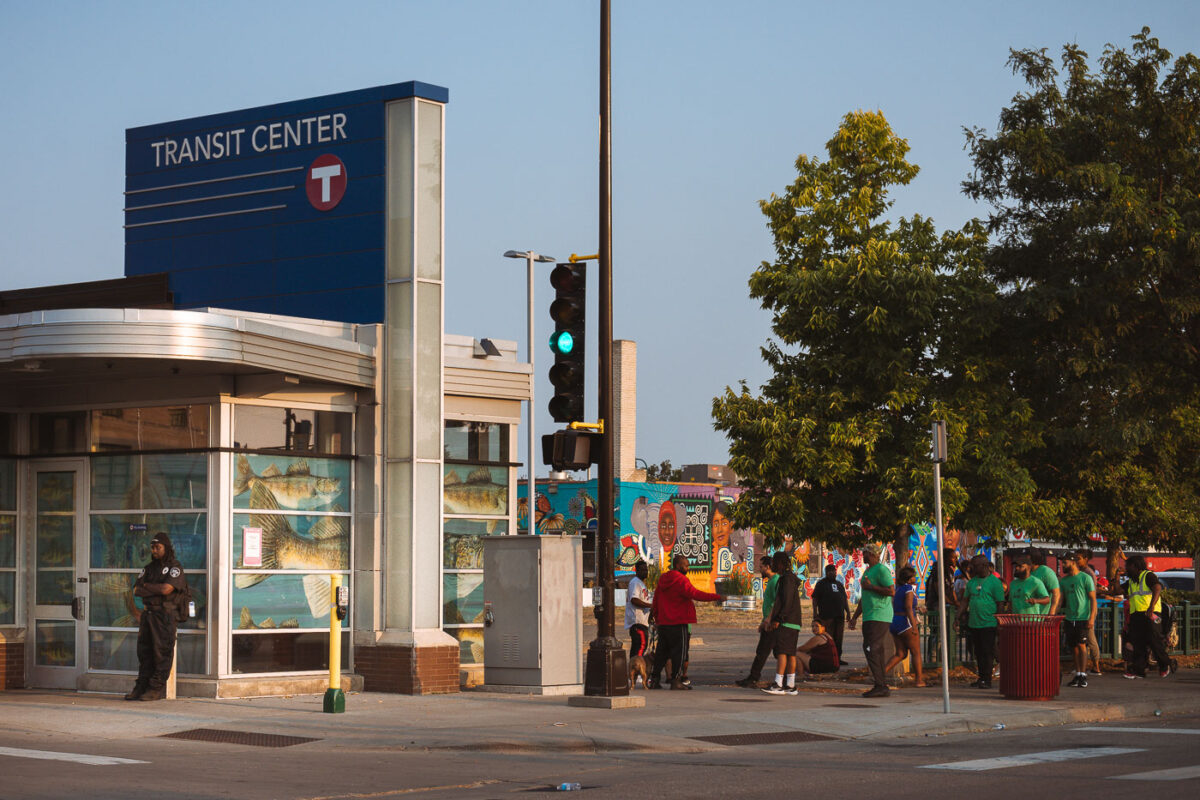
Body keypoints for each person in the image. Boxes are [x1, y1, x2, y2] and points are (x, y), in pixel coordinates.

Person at [126, 531, 187, 701]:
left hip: (165, 616)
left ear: (166, 548)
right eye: (152, 547)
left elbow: (166, 589)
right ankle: (141, 687)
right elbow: (137, 590)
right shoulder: (148, 568)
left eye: (157, 547)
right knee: (144, 652)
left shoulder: (175, 568)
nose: (154, 550)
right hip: (148, 615)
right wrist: (155, 587)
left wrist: (148, 586)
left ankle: (156, 689)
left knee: (162, 653)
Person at [647, 554, 724, 689]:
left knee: (661, 652)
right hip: (678, 622)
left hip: (664, 623)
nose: (688, 568)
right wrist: (717, 597)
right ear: (678, 565)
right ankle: (676, 681)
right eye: (686, 565)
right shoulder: (681, 580)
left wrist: (654, 614)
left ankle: (654, 679)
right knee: (679, 653)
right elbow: (695, 594)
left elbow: (656, 598)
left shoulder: (663, 579)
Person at [848, 544, 894, 698]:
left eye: (865, 553)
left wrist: (872, 586)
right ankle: (881, 684)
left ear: (872, 554)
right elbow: (864, 597)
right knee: (875, 650)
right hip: (869, 616)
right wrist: (855, 617)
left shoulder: (881, 570)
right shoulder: (868, 571)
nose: (863, 555)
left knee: (871, 648)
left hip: (879, 615)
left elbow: (891, 591)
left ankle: (880, 685)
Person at [1122, 554, 1177, 679]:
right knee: (1138, 643)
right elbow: (1117, 590)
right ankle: (1139, 670)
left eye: (1128, 566)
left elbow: (1157, 588)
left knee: (1154, 641)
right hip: (1136, 614)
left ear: (1135, 566)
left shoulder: (1148, 576)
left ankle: (1165, 664)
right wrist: (1115, 575)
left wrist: (1151, 606)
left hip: (1150, 613)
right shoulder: (1131, 581)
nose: (1126, 569)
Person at [957, 554, 1005, 689]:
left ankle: (987, 679)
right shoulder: (972, 582)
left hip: (989, 623)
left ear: (984, 566)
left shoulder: (995, 582)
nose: (972, 569)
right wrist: (958, 616)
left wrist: (999, 621)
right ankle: (981, 677)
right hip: (974, 623)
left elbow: (1000, 603)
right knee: (978, 652)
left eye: (975, 566)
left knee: (987, 652)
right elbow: (965, 601)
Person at [762, 552, 804, 696]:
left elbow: (785, 602)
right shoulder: (789, 579)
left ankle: (778, 683)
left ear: (780, 563)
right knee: (790, 653)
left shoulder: (786, 579)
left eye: (774, 562)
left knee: (782, 653)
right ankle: (790, 685)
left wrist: (778, 619)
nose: (772, 564)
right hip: (793, 622)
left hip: (787, 622)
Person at [735, 556, 777, 688]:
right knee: (772, 652)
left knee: (763, 652)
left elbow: (777, 603)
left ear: (768, 567)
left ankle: (753, 677)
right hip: (768, 621)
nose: (760, 570)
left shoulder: (775, 581)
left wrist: (769, 620)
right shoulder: (771, 581)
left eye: (761, 567)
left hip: (772, 623)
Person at [1060, 550, 1097, 688]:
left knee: (1082, 646)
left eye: (1065, 562)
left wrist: (1091, 618)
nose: (1063, 565)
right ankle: (1077, 674)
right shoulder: (1064, 581)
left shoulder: (1085, 578)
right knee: (1073, 647)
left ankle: (1083, 675)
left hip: (1083, 617)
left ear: (1073, 562)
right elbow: (1061, 600)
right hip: (1070, 618)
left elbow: (1093, 599)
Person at [883, 566, 925, 687]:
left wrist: (916, 608)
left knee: (901, 653)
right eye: (914, 576)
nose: (915, 578)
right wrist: (914, 625)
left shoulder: (898, 589)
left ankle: (880, 674)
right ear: (910, 578)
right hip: (905, 622)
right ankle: (919, 680)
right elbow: (907, 607)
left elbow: (905, 605)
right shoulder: (909, 589)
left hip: (895, 621)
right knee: (916, 652)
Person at [811, 564, 850, 664]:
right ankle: (829, 659)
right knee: (829, 638)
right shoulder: (821, 584)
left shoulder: (839, 584)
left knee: (839, 638)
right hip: (826, 616)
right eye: (830, 571)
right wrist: (815, 613)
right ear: (826, 572)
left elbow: (844, 599)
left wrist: (848, 612)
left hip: (839, 616)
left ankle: (838, 659)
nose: (832, 573)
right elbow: (815, 599)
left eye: (834, 571)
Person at [1074, 550, 1103, 674]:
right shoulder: (1082, 572)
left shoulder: (1087, 574)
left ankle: (1096, 665)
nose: (1076, 561)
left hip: (1087, 610)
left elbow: (1091, 595)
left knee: (1090, 638)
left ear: (1086, 559)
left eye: (1078, 558)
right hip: (1082, 610)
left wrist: (1091, 615)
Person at [624, 561, 653, 663]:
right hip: (637, 622)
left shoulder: (641, 583)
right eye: (642, 569)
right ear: (637, 571)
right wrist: (650, 605)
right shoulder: (635, 582)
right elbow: (634, 599)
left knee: (637, 649)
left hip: (643, 622)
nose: (645, 571)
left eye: (646, 569)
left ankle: (632, 675)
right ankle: (638, 675)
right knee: (641, 647)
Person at [1030, 547, 1062, 615]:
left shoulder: (1046, 572)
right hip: (1027, 616)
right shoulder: (1025, 573)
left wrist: (1052, 613)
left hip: (1043, 616)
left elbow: (1056, 593)